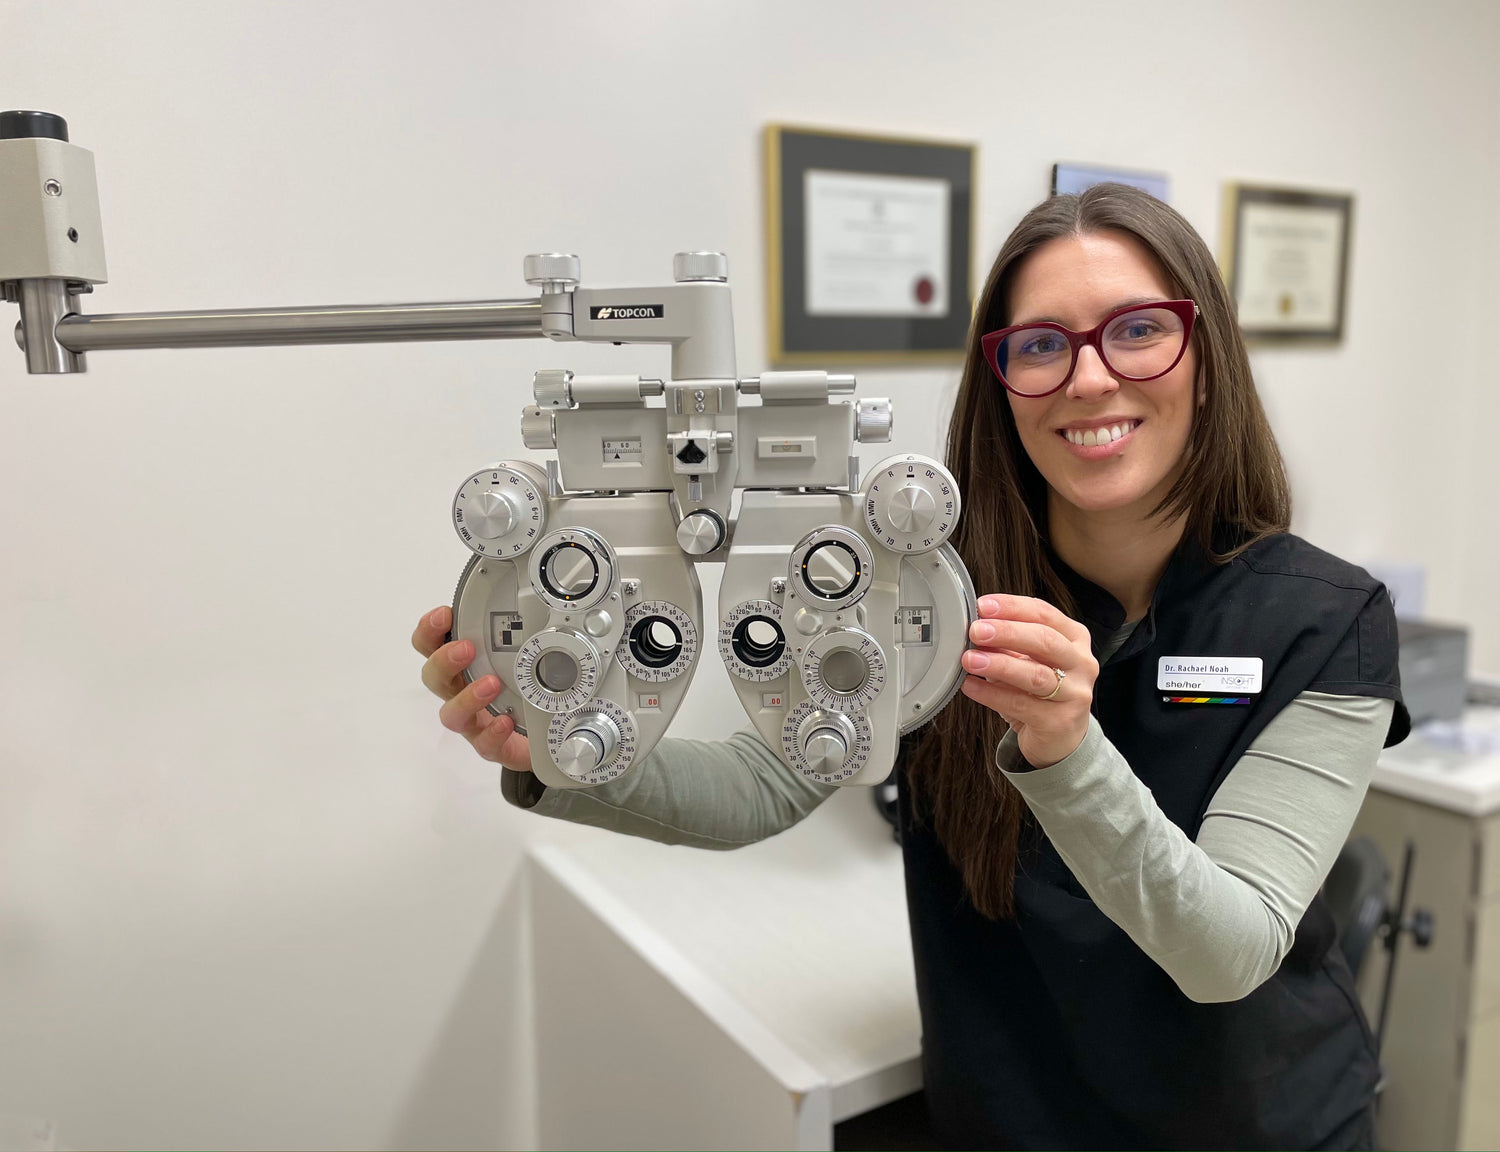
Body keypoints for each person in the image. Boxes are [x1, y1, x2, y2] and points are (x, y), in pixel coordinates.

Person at [413, 184, 1407, 1150]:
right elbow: (763, 786)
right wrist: (560, 748)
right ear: (1002, 380)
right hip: (1012, 1117)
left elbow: (1226, 954)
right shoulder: (930, 592)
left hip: (1250, 1125)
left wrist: (1067, 753)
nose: (1090, 378)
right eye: (1042, 345)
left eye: (1137, 329)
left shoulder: (1325, 621)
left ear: (1205, 354)